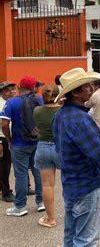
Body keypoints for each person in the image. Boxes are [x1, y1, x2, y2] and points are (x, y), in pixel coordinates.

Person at [52, 68, 100, 247]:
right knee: (86, 239)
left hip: (71, 182)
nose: (91, 89)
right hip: (86, 184)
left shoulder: (60, 115)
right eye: (87, 87)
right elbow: (96, 152)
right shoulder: (80, 119)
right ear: (76, 92)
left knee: (71, 236)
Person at [1, 76, 44, 216]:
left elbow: (4, 124)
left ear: (19, 87)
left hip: (19, 143)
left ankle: (20, 206)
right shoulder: (40, 100)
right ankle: (41, 202)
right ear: (34, 88)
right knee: (37, 172)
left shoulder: (12, 102)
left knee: (20, 175)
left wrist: (9, 140)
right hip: (37, 141)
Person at [33, 84, 61, 228]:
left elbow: (37, 128)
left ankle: (51, 219)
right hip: (61, 147)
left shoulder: (37, 111)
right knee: (71, 181)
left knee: (47, 185)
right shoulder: (62, 110)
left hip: (43, 147)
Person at [0, 81, 16, 202]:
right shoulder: (1, 104)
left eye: (13, 89)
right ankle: (6, 193)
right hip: (2, 139)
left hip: (6, 138)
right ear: (2, 93)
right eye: (8, 90)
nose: (12, 92)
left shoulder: (8, 103)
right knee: (4, 167)